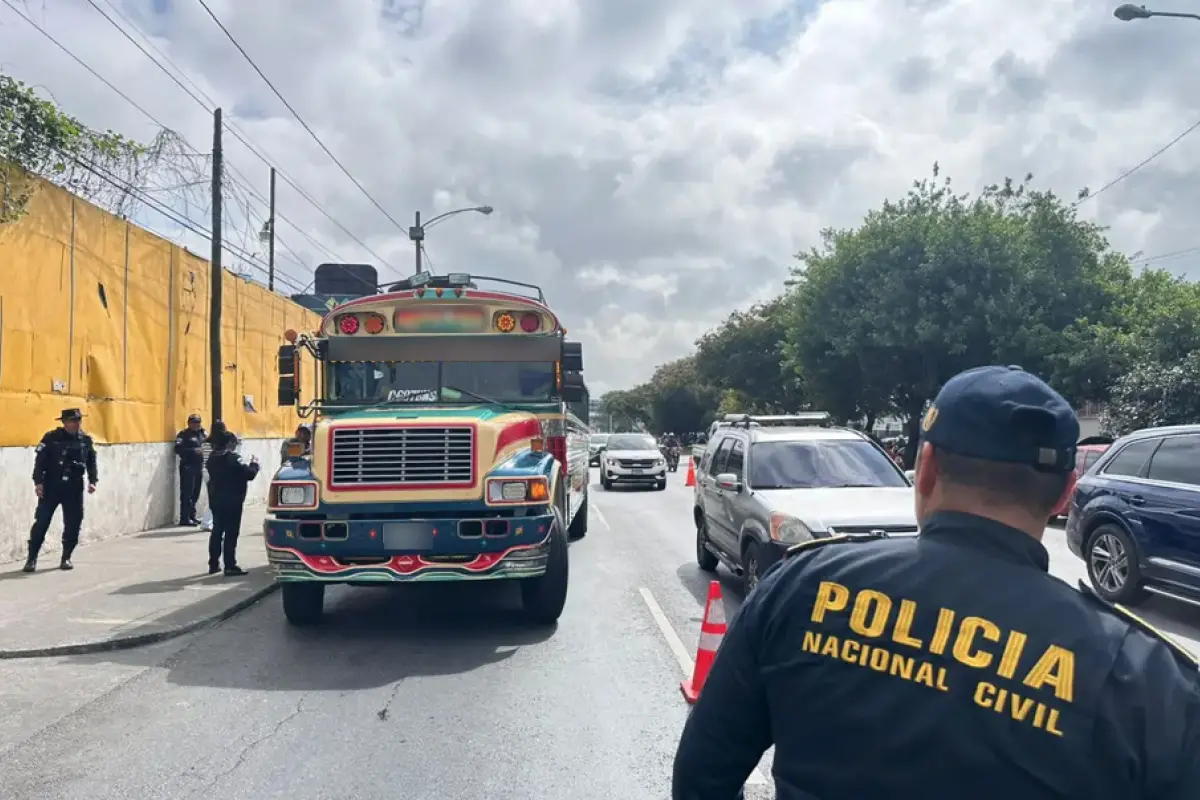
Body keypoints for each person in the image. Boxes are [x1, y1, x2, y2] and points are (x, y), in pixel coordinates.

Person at [672, 365, 1200, 800]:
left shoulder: (801, 585)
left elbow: (701, 779)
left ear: (923, 470)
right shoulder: (1148, 679)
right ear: (1065, 494)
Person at [24, 408, 98, 572]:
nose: (75, 424)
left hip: (74, 487)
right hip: (52, 486)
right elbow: (40, 461)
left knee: (73, 523)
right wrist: (38, 482)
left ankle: (66, 557)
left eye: (78, 420)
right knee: (42, 522)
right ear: (64, 422)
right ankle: (31, 559)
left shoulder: (85, 440)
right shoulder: (51, 438)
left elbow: (91, 461)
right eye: (72, 421)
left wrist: (93, 481)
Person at [204, 430, 260, 576]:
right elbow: (249, 474)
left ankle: (213, 563)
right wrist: (255, 464)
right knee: (231, 533)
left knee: (217, 531)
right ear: (229, 444)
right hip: (232, 500)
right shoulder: (232, 458)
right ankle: (230, 565)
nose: (235, 446)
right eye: (235, 443)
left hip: (216, 499)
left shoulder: (212, 457)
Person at [174, 413, 206, 526]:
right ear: (189, 423)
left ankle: (192, 515)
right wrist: (193, 451)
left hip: (199, 466)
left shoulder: (202, 434)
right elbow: (178, 449)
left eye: (198, 422)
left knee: (195, 493)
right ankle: (185, 518)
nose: (196, 425)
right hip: (188, 466)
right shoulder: (184, 435)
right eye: (193, 422)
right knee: (187, 492)